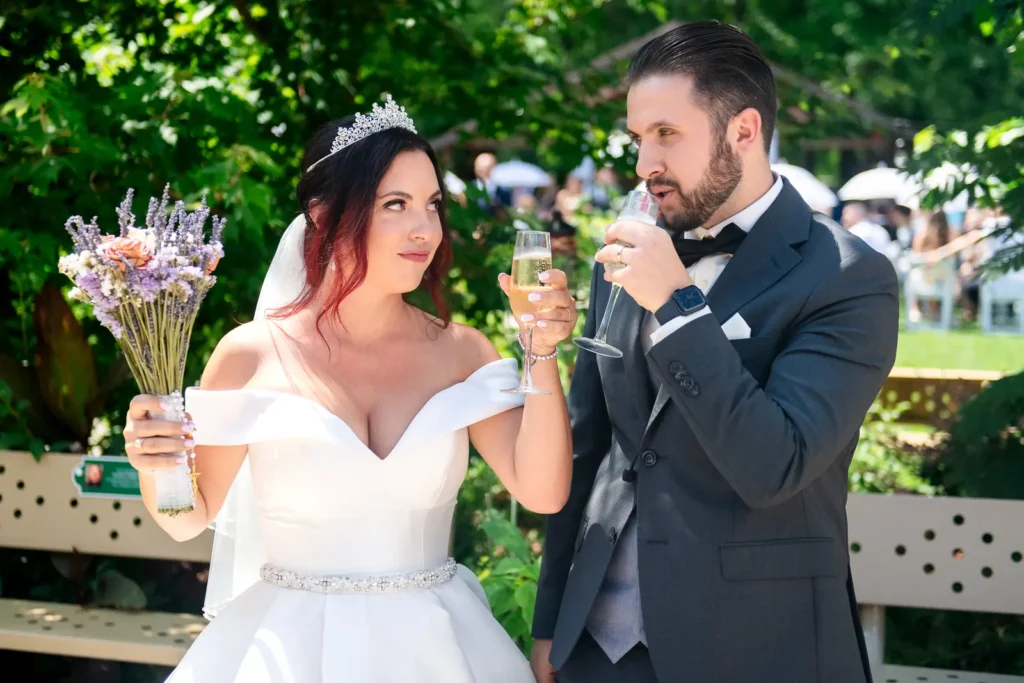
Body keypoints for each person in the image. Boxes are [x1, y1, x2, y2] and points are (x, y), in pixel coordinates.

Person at [121, 95, 578, 683]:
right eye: (395, 205)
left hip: (437, 649)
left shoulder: (461, 352)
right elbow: (187, 518)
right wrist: (154, 460)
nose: (425, 229)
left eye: (432, 205)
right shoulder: (249, 356)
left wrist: (541, 349)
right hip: (289, 652)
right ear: (323, 216)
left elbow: (543, 493)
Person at [530, 22, 899, 683]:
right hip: (596, 649)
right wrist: (551, 620)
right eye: (638, 137)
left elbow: (776, 464)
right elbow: (593, 445)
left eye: (667, 133)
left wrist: (677, 307)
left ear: (744, 131)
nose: (644, 163)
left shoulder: (847, 276)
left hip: (759, 648)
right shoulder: (626, 255)